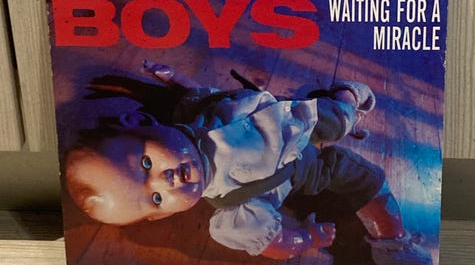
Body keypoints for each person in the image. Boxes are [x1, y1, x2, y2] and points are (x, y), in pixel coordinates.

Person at [64, 63, 432, 264]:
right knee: (367, 179)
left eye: (147, 164)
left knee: (337, 119)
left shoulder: (195, 115)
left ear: (146, 124)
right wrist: (309, 238)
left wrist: (175, 79)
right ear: (160, 217)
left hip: (292, 114)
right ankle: (392, 244)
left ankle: (346, 97)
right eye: (156, 199)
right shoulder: (233, 209)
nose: (168, 180)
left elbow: (200, 95)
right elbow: (276, 243)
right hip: (305, 169)